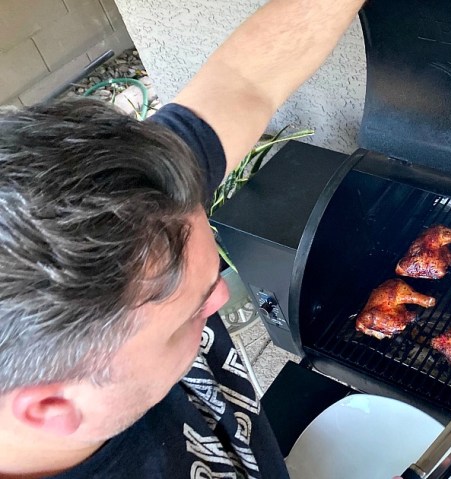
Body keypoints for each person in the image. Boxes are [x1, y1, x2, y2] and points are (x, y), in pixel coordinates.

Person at [0, 0, 364, 477]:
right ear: (51, 407)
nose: (221, 294)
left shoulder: (130, 214)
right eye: (190, 313)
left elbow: (244, 80)